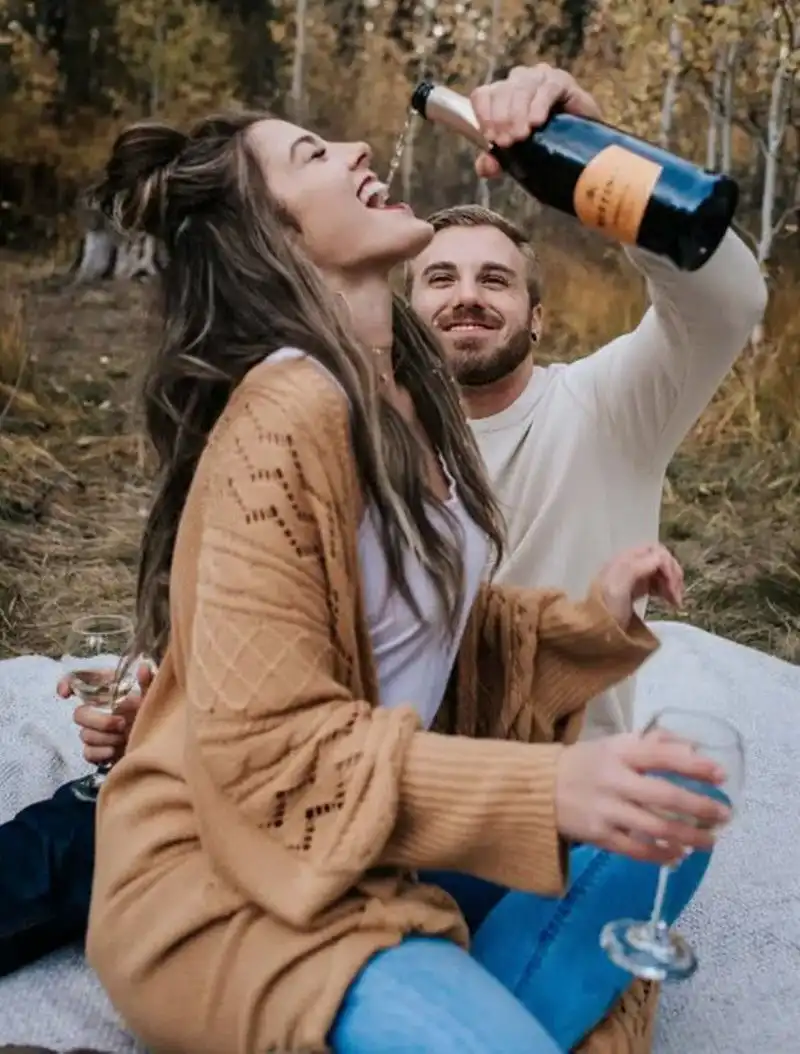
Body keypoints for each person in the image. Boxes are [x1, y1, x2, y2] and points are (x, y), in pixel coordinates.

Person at [69, 68, 732, 1054]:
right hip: (239, 887)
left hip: (370, 846)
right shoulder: (280, 416)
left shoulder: (409, 394)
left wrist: (589, 620)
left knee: (678, 800)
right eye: (313, 155)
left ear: (535, 313)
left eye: (496, 280)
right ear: (273, 238)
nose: (357, 150)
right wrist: (546, 789)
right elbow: (274, 751)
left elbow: (426, 630)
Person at [405, 195, 766, 741]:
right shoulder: (372, 436)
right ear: (407, 315)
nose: (468, 296)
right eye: (441, 278)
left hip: (577, 776)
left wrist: (599, 171)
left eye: (495, 280)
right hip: (414, 772)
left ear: (537, 320)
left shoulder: (605, 407)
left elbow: (729, 298)